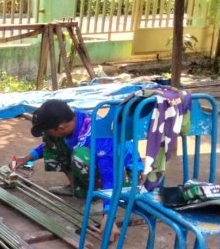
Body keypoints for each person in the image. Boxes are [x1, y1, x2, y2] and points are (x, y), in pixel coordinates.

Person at [10, 99, 135, 239]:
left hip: (124, 177)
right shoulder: (74, 120)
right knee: (53, 139)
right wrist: (27, 158)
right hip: (105, 165)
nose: (48, 133)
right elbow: (49, 143)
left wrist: (109, 215)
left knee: (80, 156)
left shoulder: (98, 135)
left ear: (62, 126)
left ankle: (99, 197)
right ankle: (76, 187)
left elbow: (109, 175)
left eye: (50, 129)